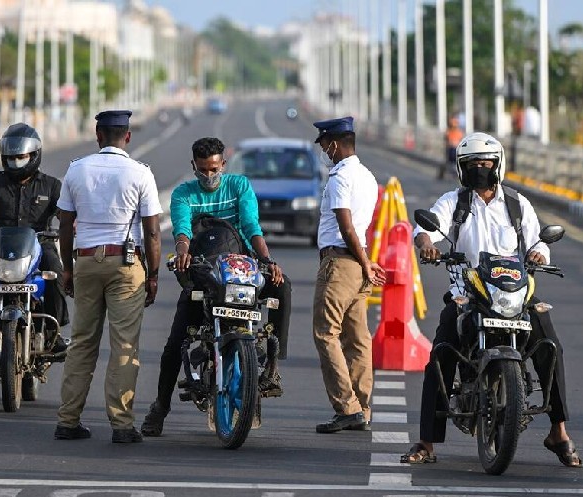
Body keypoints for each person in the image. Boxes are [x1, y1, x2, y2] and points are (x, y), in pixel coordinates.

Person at [401, 132, 582, 468]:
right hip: (468, 295)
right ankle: (426, 441)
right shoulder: (454, 202)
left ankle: (558, 431)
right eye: (473, 165)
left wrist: (539, 255)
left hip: (514, 294)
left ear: (498, 165)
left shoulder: (517, 205)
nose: (480, 169)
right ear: (461, 168)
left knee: (550, 347)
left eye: (486, 163)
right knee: (441, 351)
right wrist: (426, 243)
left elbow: (538, 242)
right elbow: (427, 227)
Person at [140, 136, 292, 437]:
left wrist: (267, 260)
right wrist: (182, 252)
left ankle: (273, 365)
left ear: (223, 165)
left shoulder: (239, 186)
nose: (208, 176)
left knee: (282, 286)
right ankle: (160, 407)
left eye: (213, 169)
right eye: (202, 170)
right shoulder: (184, 193)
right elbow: (182, 228)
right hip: (204, 271)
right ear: (193, 167)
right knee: (174, 344)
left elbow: (252, 226)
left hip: (243, 269)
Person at [54, 110, 162, 444]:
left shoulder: (76, 168)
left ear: (98, 135)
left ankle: (68, 420)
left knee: (83, 342)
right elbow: (153, 232)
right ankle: (121, 425)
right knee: (124, 345)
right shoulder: (140, 173)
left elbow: (64, 225)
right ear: (127, 136)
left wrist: (68, 269)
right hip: (125, 264)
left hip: (85, 261)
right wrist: (154, 275)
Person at [0, 123, 69, 364]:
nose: (15, 162)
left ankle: (54, 331)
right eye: (11, 158)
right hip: (2, 250)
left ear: (34, 155)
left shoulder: (51, 186)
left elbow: (64, 215)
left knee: (55, 267)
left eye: (21, 157)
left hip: (39, 247)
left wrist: (71, 227)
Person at [311, 116, 385, 434]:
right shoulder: (367, 176)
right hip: (356, 265)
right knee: (357, 339)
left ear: (337, 144)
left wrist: (365, 262)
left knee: (326, 333)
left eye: (326, 145)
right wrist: (366, 263)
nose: (325, 150)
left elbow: (346, 225)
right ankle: (362, 408)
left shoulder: (340, 177)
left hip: (341, 263)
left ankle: (347, 406)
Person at [440, 115, 464, 180]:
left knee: (456, 162)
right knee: (447, 161)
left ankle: (457, 174)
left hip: (455, 148)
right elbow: (446, 139)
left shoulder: (459, 132)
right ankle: (441, 174)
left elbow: (460, 140)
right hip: (450, 148)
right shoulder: (448, 131)